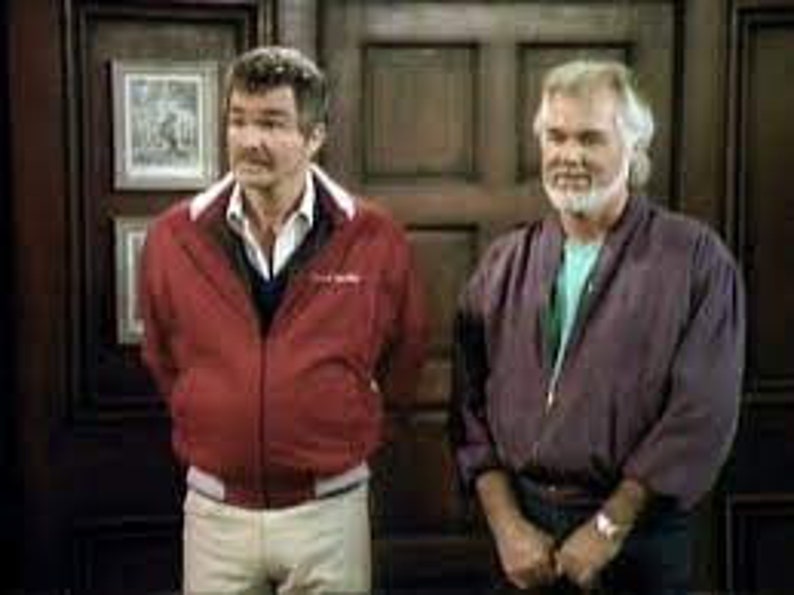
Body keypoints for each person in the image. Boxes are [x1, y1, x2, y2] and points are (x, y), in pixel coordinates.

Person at [449, 59, 745, 594]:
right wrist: (506, 526)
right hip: (522, 539)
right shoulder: (504, 263)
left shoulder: (696, 261)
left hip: (641, 540)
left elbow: (701, 411)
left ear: (634, 148)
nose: (569, 155)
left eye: (590, 138)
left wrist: (610, 526)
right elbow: (468, 409)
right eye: (556, 137)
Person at [140, 46, 428, 595]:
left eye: (271, 123)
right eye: (238, 120)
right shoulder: (173, 237)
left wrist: (349, 427)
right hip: (216, 513)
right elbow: (161, 356)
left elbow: (405, 355)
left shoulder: (374, 237)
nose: (250, 140)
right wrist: (211, 415)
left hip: (329, 510)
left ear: (314, 137)